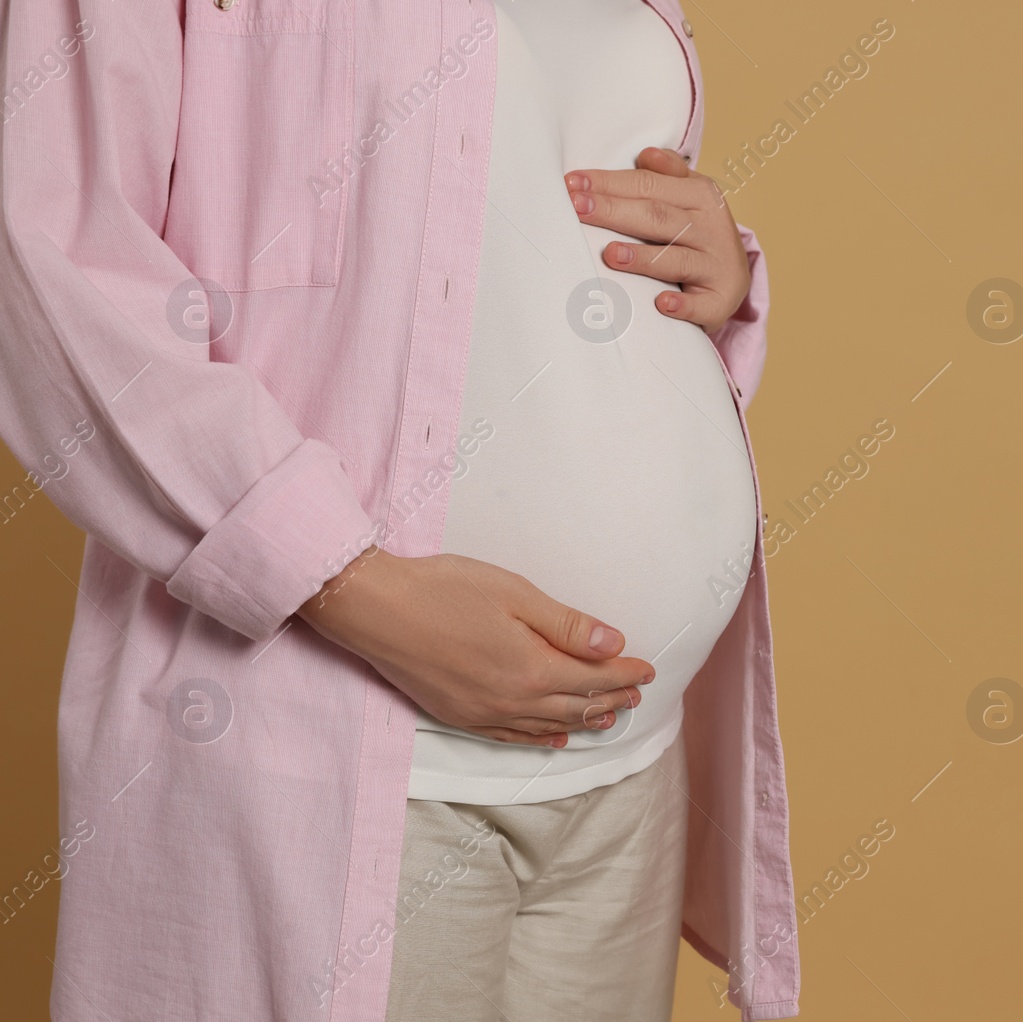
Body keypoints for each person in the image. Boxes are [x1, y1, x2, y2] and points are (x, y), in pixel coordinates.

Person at [0, 1, 799, 1020]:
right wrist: (354, 588)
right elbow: (51, 263)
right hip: (342, 751)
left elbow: (518, 211)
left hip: (627, 770)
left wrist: (715, 273)